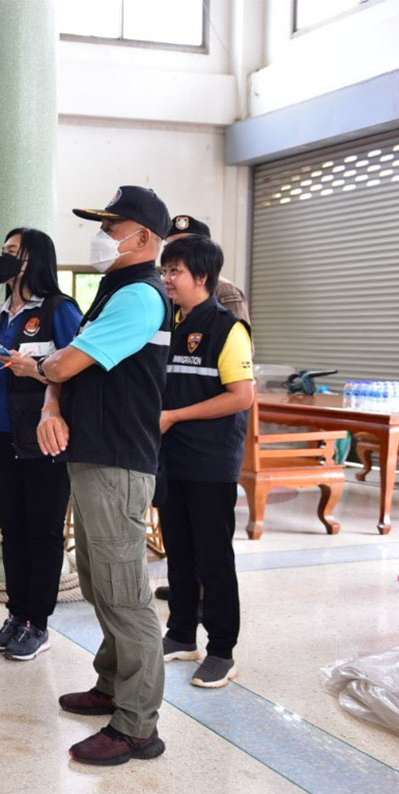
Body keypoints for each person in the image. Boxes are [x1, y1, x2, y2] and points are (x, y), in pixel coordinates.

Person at [36, 185, 173, 766]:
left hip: (119, 459)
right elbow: (64, 371)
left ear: (143, 238)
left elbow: (65, 361)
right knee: (98, 581)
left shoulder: (140, 295)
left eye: (110, 227)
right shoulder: (113, 292)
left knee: (124, 593)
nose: (101, 237)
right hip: (95, 455)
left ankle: (137, 725)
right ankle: (112, 683)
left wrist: (49, 371)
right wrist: (51, 397)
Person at [0, 228, 82, 661]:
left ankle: (38, 623)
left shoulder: (59, 310)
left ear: (35, 259)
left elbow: (77, 372)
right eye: (4, 251)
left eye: (14, 252)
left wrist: (34, 369)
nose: (5, 257)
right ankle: (16, 614)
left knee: (43, 532)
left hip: (43, 438)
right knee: (11, 531)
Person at [156, 235, 254, 688]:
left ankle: (221, 651)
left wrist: (175, 415)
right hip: (171, 459)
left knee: (213, 558)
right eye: (165, 270)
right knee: (178, 551)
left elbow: (241, 396)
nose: (167, 279)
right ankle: (180, 634)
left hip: (211, 462)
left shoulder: (227, 328)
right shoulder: (168, 323)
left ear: (202, 277)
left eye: (175, 271)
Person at [167, 216, 249, 322]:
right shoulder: (168, 285)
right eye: (170, 246)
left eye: (184, 246)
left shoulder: (223, 288)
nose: (175, 252)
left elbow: (237, 326)